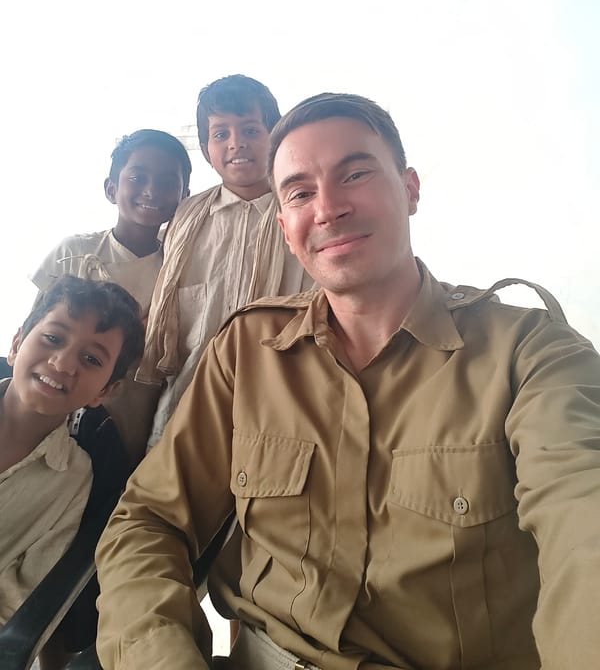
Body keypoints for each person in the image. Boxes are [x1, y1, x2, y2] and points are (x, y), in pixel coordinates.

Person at [95, 92, 600, 670]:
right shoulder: (246, 352)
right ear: (285, 226)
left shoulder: (530, 354)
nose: (329, 208)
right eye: (301, 192)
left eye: (355, 173)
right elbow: (149, 521)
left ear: (410, 189)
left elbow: (583, 519)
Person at [137, 74, 312, 450]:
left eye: (251, 128)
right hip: (183, 411)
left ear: (275, 135)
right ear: (205, 149)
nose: (237, 143)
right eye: (221, 134)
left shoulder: (305, 213)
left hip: (284, 412)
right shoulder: (184, 220)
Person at [31, 129, 192, 463]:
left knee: (109, 487)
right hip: (57, 395)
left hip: (137, 410)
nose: (151, 190)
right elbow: (35, 328)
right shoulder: (74, 252)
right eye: (137, 177)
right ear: (111, 188)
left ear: (185, 196)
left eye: (166, 182)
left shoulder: (183, 267)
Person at [0, 275, 145, 627]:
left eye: (91, 359)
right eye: (52, 338)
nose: (63, 363)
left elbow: (19, 606)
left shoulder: (75, 482)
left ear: (106, 392)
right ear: (17, 343)